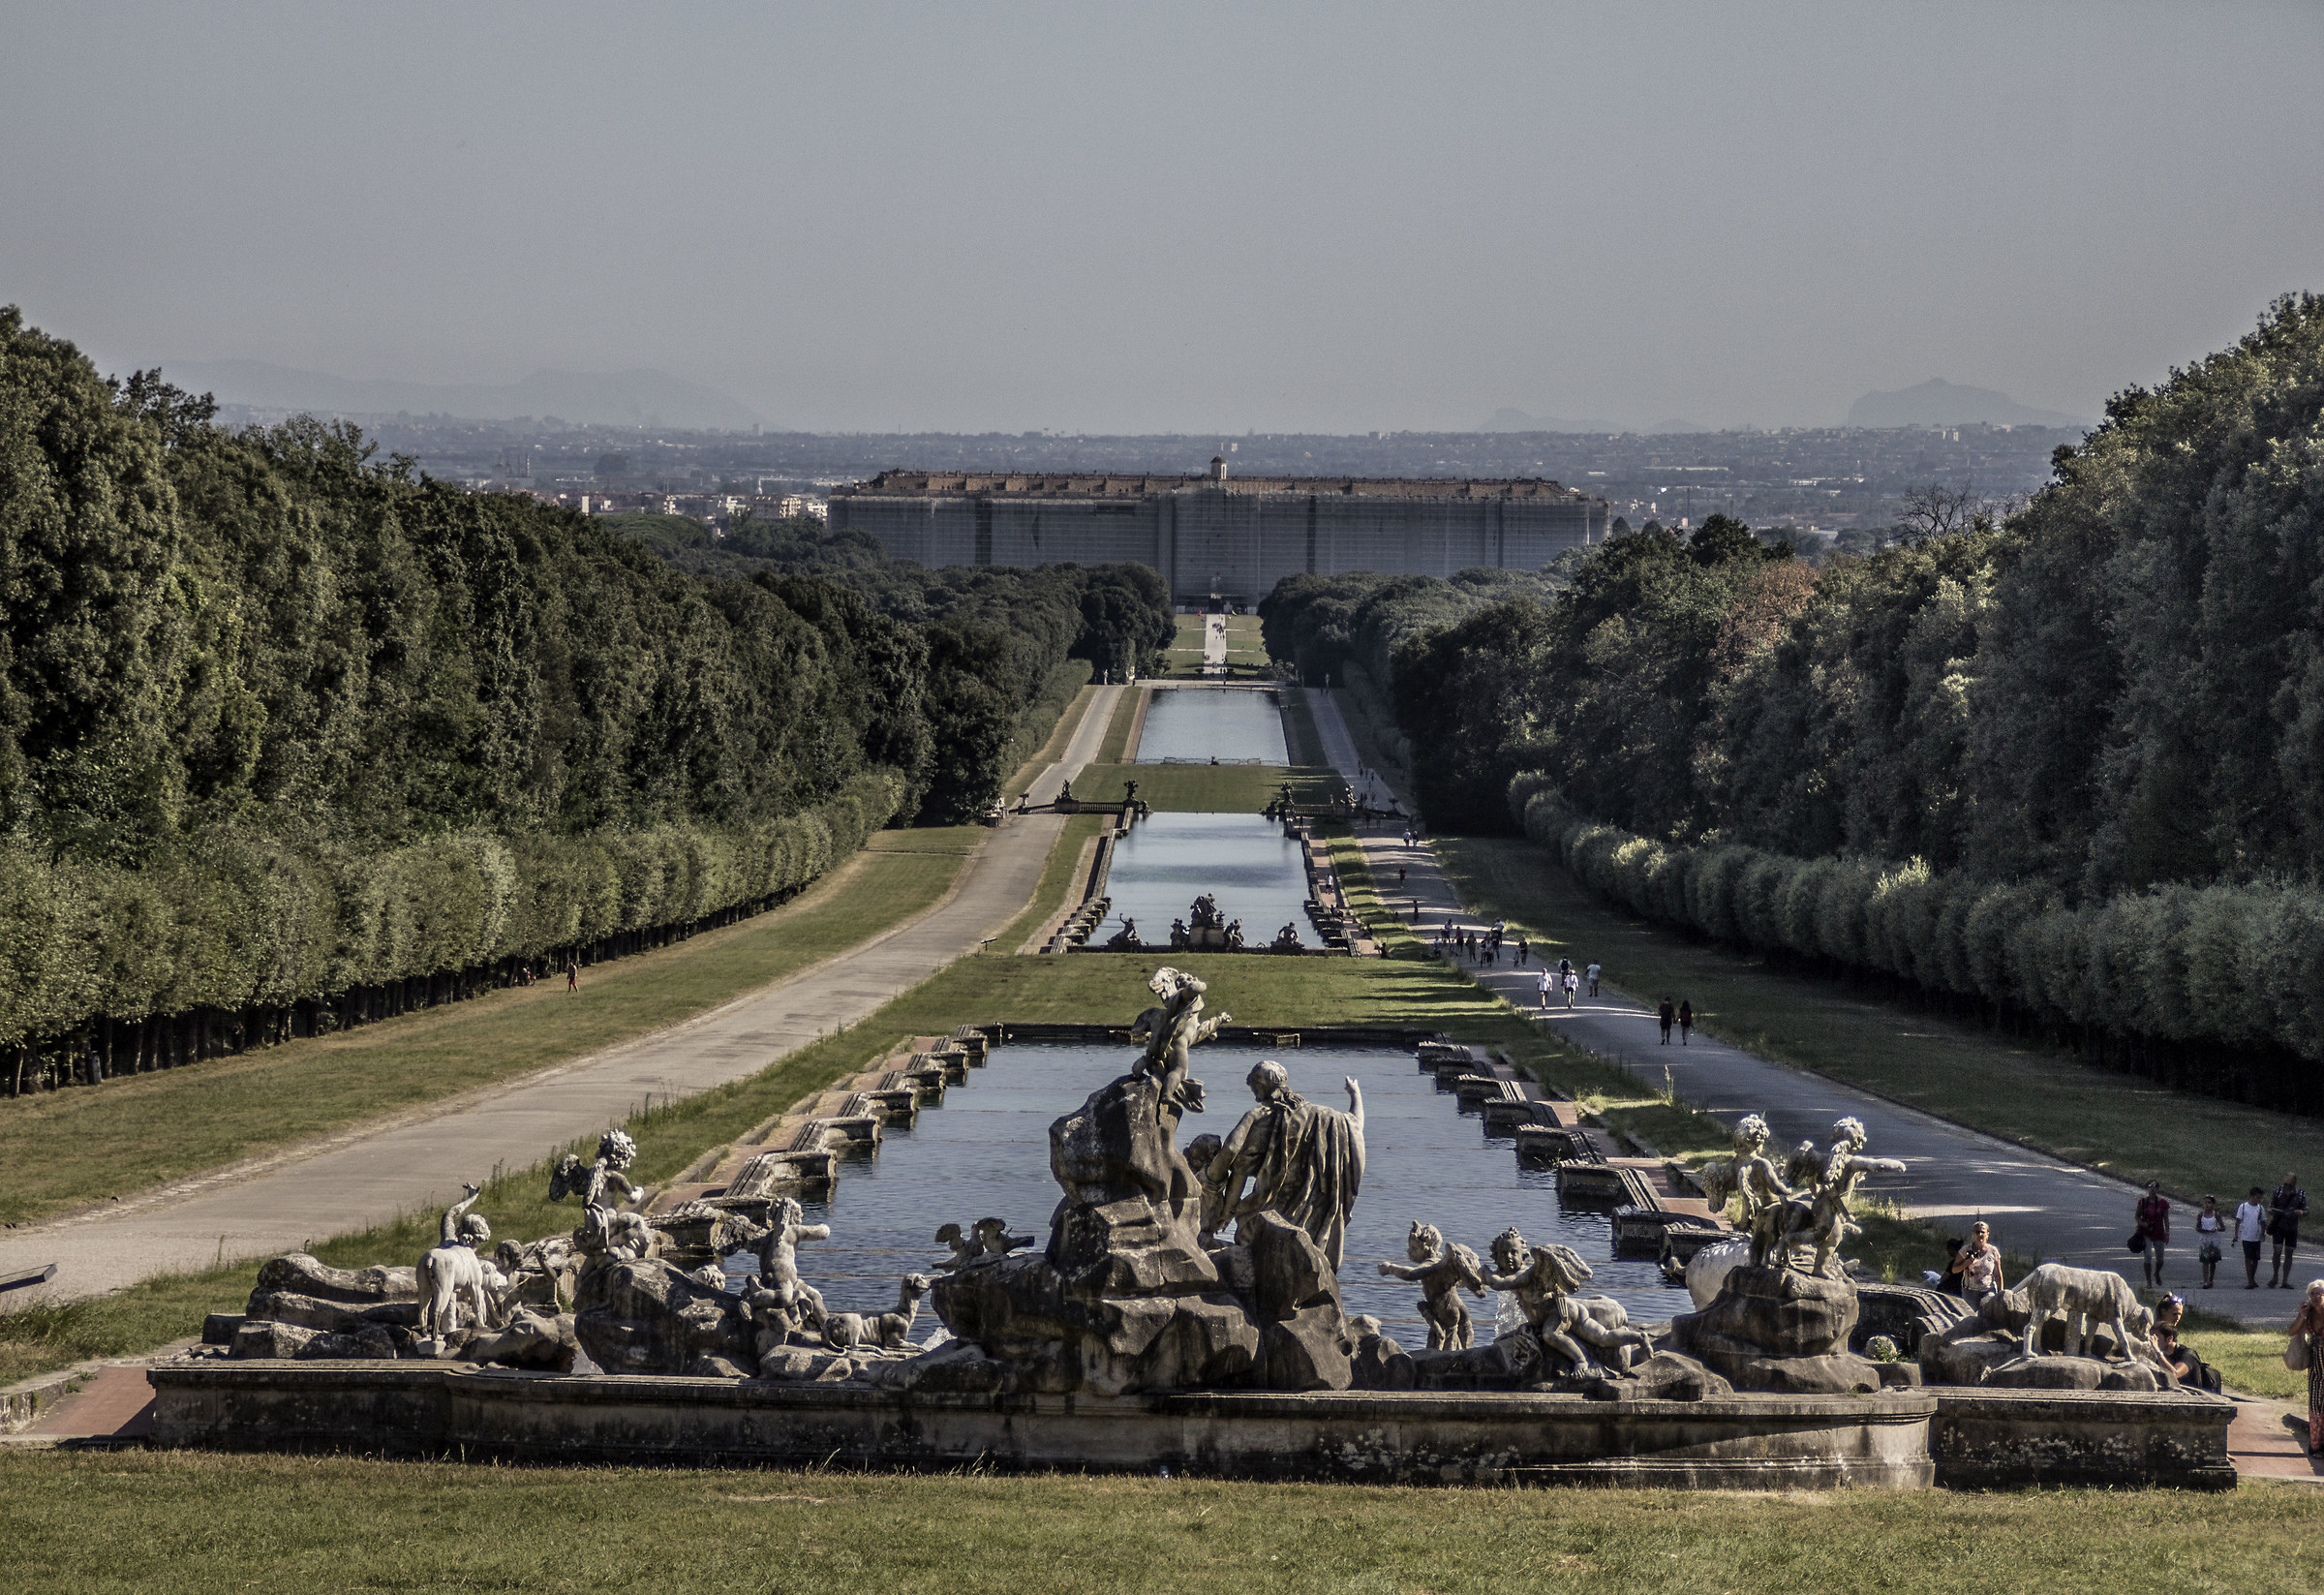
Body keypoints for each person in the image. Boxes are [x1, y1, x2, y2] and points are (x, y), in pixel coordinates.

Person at [2152, 1295, 2220, 1394]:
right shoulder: (2161, 1346)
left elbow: (2174, 1374)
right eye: (2174, 1314)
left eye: (2179, 1314)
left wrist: (2158, 1352)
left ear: (2170, 1339)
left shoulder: (2187, 1354)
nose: (2177, 1318)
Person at [1946, 1220, 2004, 1310]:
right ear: (1973, 1234)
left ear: (1987, 1234)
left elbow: (1997, 1274)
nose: (1980, 1234)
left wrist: (2000, 1293)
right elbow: (1954, 1270)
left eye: (1983, 1232)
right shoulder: (1965, 1250)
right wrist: (1965, 1264)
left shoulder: (1993, 1251)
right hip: (1970, 1292)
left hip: (1988, 1290)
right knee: (1971, 1317)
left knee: (1987, 1312)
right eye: (1977, 1232)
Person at [2271, 1172, 2308, 1288]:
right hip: (2279, 1225)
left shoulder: (2300, 1193)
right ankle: (2275, 1276)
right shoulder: (2278, 1191)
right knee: (2277, 1250)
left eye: (2290, 1184)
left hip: (2292, 1226)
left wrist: (2301, 1212)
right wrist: (2271, 1210)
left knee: (2289, 1252)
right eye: (2286, 1183)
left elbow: (2306, 1209)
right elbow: (2271, 1205)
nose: (2287, 1186)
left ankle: (2284, 1280)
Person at [2135, 1181, 2171, 1288]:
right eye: (2150, 1186)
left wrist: (2167, 1232)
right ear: (2147, 1189)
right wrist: (2143, 1224)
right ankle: (2149, 1281)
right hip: (2146, 1232)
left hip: (2159, 1232)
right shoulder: (2142, 1202)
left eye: (2155, 1187)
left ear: (2157, 1189)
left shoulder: (2163, 1203)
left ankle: (2157, 1273)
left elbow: (2166, 1219)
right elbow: (2137, 1216)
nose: (2152, 1189)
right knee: (2148, 1257)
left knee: (2160, 1260)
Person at [2237, 1184, 2270, 1289]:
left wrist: (2263, 1233)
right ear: (2252, 1196)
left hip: (2256, 1237)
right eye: (2257, 1197)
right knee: (2248, 1257)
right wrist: (2236, 1234)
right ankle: (2250, 1279)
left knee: (2255, 1259)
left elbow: (2263, 1222)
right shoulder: (2243, 1207)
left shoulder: (2260, 1208)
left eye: (2260, 1198)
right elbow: (2238, 1220)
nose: (2258, 1200)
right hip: (2246, 1236)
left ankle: (2253, 1278)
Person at [2193, 1195, 2226, 1290]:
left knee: (2212, 1261)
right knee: (2205, 1261)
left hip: (2214, 1240)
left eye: (2209, 1203)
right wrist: (2203, 1230)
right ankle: (2205, 1281)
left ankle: (2211, 1279)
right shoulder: (2200, 1215)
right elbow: (2197, 1227)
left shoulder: (2216, 1215)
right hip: (2204, 1240)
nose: (2207, 1205)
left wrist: (2217, 1229)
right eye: (2205, 1203)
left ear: (2213, 1204)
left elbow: (2223, 1228)